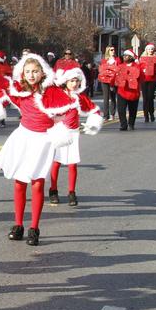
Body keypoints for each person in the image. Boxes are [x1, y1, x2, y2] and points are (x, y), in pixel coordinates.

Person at [0, 53, 75, 246]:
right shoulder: (20, 90)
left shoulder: (51, 91)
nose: (31, 75)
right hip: (23, 137)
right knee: (19, 183)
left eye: (35, 71)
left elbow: (70, 106)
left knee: (37, 184)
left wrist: (59, 122)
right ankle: (18, 225)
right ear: (23, 73)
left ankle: (34, 227)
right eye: (28, 71)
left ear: (42, 73)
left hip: (43, 141)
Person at [48, 65, 103, 206]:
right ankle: (53, 190)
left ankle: (72, 192)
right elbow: (47, 110)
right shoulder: (57, 95)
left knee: (72, 163)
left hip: (73, 133)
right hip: (59, 132)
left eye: (76, 81)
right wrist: (54, 119)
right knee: (56, 162)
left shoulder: (80, 98)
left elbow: (94, 110)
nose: (74, 84)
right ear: (66, 81)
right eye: (71, 81)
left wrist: (93, 123)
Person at [114, 49, 143, 131]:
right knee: (121, 109)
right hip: (122, 91)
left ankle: (131, 123)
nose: (124, 57)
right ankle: (123, 124)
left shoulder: (137, 67)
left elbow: (141, 78)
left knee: (133, 109)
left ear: (131, 57)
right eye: (124, 55)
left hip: (133, 92)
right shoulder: (120, 66)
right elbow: (116, 78)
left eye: (126, 55)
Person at [138, 43, 156, 121]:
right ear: (146, 50)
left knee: (150, 97)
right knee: (145, 98)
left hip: (152, 80)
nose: (150, 50)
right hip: (144, 80)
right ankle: (146, 115)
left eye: (151, 49)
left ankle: (151, 113)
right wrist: (143, 70)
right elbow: (139, 68)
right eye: (149, 49)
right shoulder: (142, 58)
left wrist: (151, 70)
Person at [97, 46, 119, 120]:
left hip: (114, 80)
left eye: (113, 50)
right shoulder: (104, 60)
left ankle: (112, 114)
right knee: (105, 98)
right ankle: (106, 115)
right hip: (105, 80)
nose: (113, 51)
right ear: (108, 51)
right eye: (111, 50)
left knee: (113, 97)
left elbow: (119, 69)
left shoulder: (117, 60)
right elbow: (101, 69)